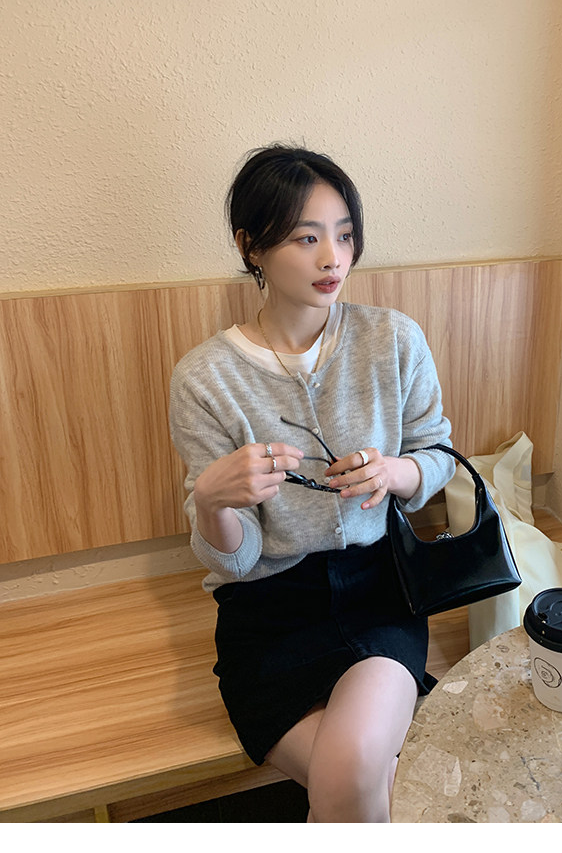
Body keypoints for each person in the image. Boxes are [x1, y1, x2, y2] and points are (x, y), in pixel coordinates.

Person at [169, 145, 453, 822]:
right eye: (307, 238)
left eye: (344, 235)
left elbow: (438, 453)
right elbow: (235, 561)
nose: (334, 258)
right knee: (374, 790)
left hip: (379, 590)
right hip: (268, 611)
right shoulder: (205, 378)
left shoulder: (393, 340)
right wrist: (211, 501)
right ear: (252, 246)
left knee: (351, 771)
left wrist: (395, 472)